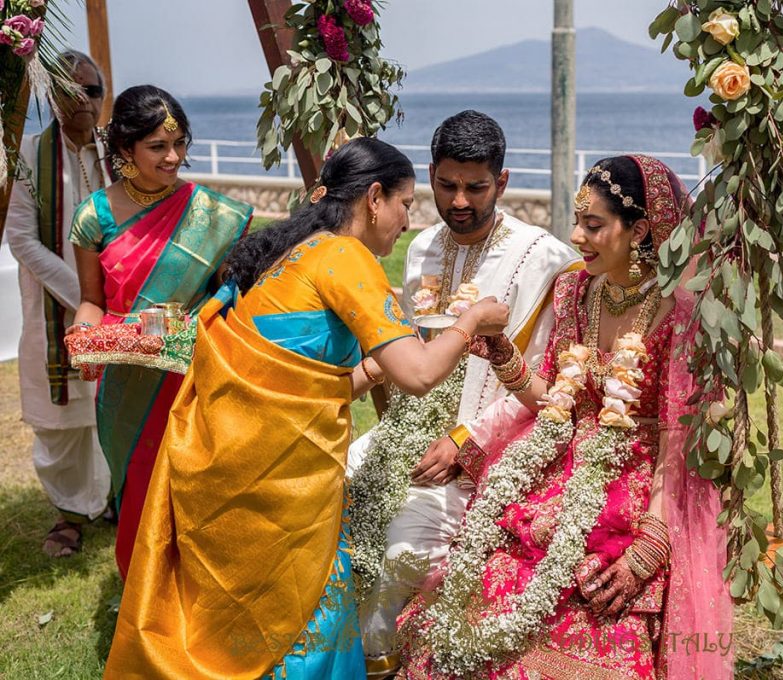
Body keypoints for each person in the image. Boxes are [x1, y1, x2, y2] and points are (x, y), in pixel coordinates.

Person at [102, 138, 510, 679]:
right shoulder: (345, 256)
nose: (408, 221)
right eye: (406, 204)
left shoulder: (296, 254)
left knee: (238, 622)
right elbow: (419, 374)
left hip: (228, 465)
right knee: (300, 616)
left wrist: (382, 361)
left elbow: (311, 382)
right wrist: (472, 320)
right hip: (278, 486)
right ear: (373, 197)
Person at [396, 156, 733, 679]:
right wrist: (504, 355)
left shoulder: (683, 313)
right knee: (484, 581)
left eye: (594, 225)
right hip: (563, 462)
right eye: (578, 221)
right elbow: (554, 398)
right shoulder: (576, 292)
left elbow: (676, 441)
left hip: (640, 480)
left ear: (640, 230)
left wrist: (651, 544)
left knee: (593, 604)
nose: (577, 236)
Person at [346, 110, 579, 676]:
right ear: (429, 175)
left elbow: (550, 377)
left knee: (398, 554)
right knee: (328, 499)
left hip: (485, 447)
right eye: (446, 185)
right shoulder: (423, 245)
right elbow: (407, 344)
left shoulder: (545, 258)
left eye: (476, 187)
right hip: (406, 427)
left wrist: (463, 441)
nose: (458, 201)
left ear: (501, 182)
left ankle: (382, 660)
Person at [66, 85, 253, 578]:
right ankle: (143, 595)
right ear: (125, 149)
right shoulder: (94, 217)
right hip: (126, 376)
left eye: (180, 143)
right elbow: (92, 301)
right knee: (139, 485)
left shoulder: (212, 215)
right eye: (157, 147)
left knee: (196, 486)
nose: (174, 157)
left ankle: (196, 590)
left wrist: (198, 322)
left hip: (193, 373)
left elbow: (231, 294)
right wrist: (84, 341)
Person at [6, 50, 113, 557]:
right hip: (57, 306)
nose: (85, 102)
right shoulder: (28, 154)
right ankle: (69, 513)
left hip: (119, 306)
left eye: (93, 91)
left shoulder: (117, 154)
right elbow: (22, 240)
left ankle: (110, 497)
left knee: (109, 411)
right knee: (62, 423)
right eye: (72, 91)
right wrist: (84, 296)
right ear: (52, 96)